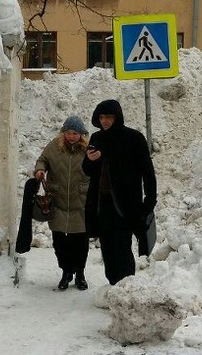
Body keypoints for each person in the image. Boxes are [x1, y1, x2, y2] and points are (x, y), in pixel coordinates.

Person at [82, 99, 157, 285]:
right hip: (102, 204)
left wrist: (149, 201)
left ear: (117, 117)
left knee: (122, 248)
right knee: (107, 248)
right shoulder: (97, 138)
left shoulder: (133, 138)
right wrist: (91, 160)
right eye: (101, 117)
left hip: (125, 205)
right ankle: (113, 285)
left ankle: (126, 286)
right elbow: (87, 171)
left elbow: (148, 172)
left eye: (109, 117)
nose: (105, 121)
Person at [34, 116, 90, 291]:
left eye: (75, 133)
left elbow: (99, 167)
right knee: (59, 242)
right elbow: (42, 159)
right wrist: (40, 169)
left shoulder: (88, 150)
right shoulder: (54, 147)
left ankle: (80, 273)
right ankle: (66, 272)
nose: (71, 136)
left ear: (81, 134)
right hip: (57, 201)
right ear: (63, 133)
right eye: (68, 133)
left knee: (80, 243)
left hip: (80, 201)